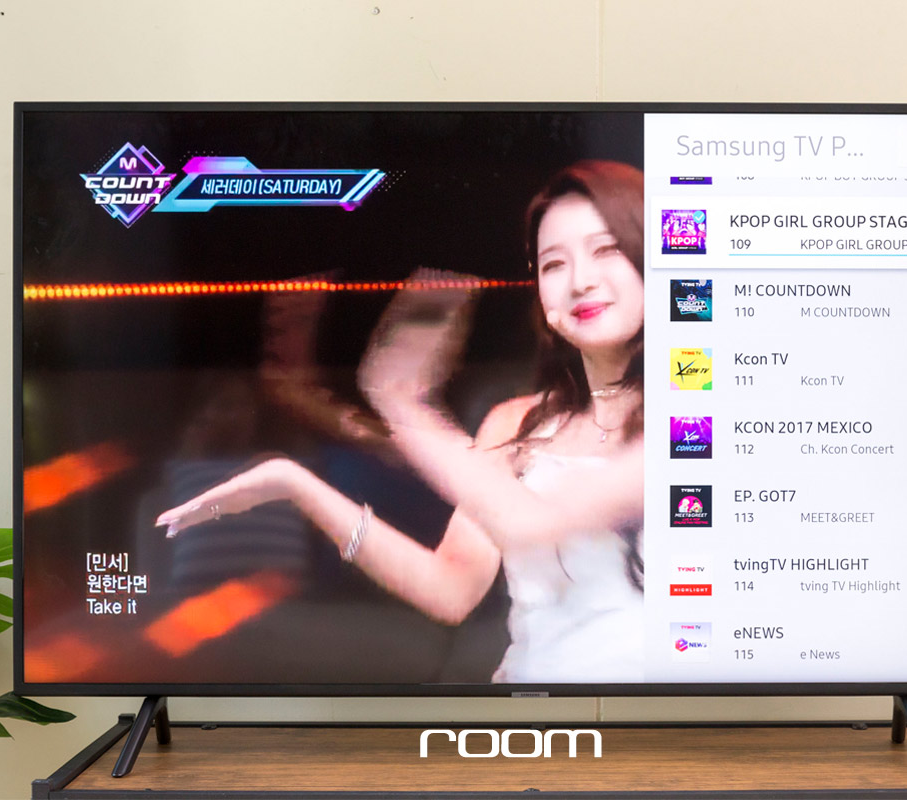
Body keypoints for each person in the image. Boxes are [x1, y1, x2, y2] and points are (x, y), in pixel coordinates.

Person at [156, 160, 646, 683]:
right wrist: (295, 484)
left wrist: (405, 406)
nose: (580, 281)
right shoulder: (514, 424)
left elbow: (534, 523)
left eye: (606, 250)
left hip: (655, 719)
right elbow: (450, 590)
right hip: (531, 710)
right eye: (554, 264)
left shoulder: (693, 412)